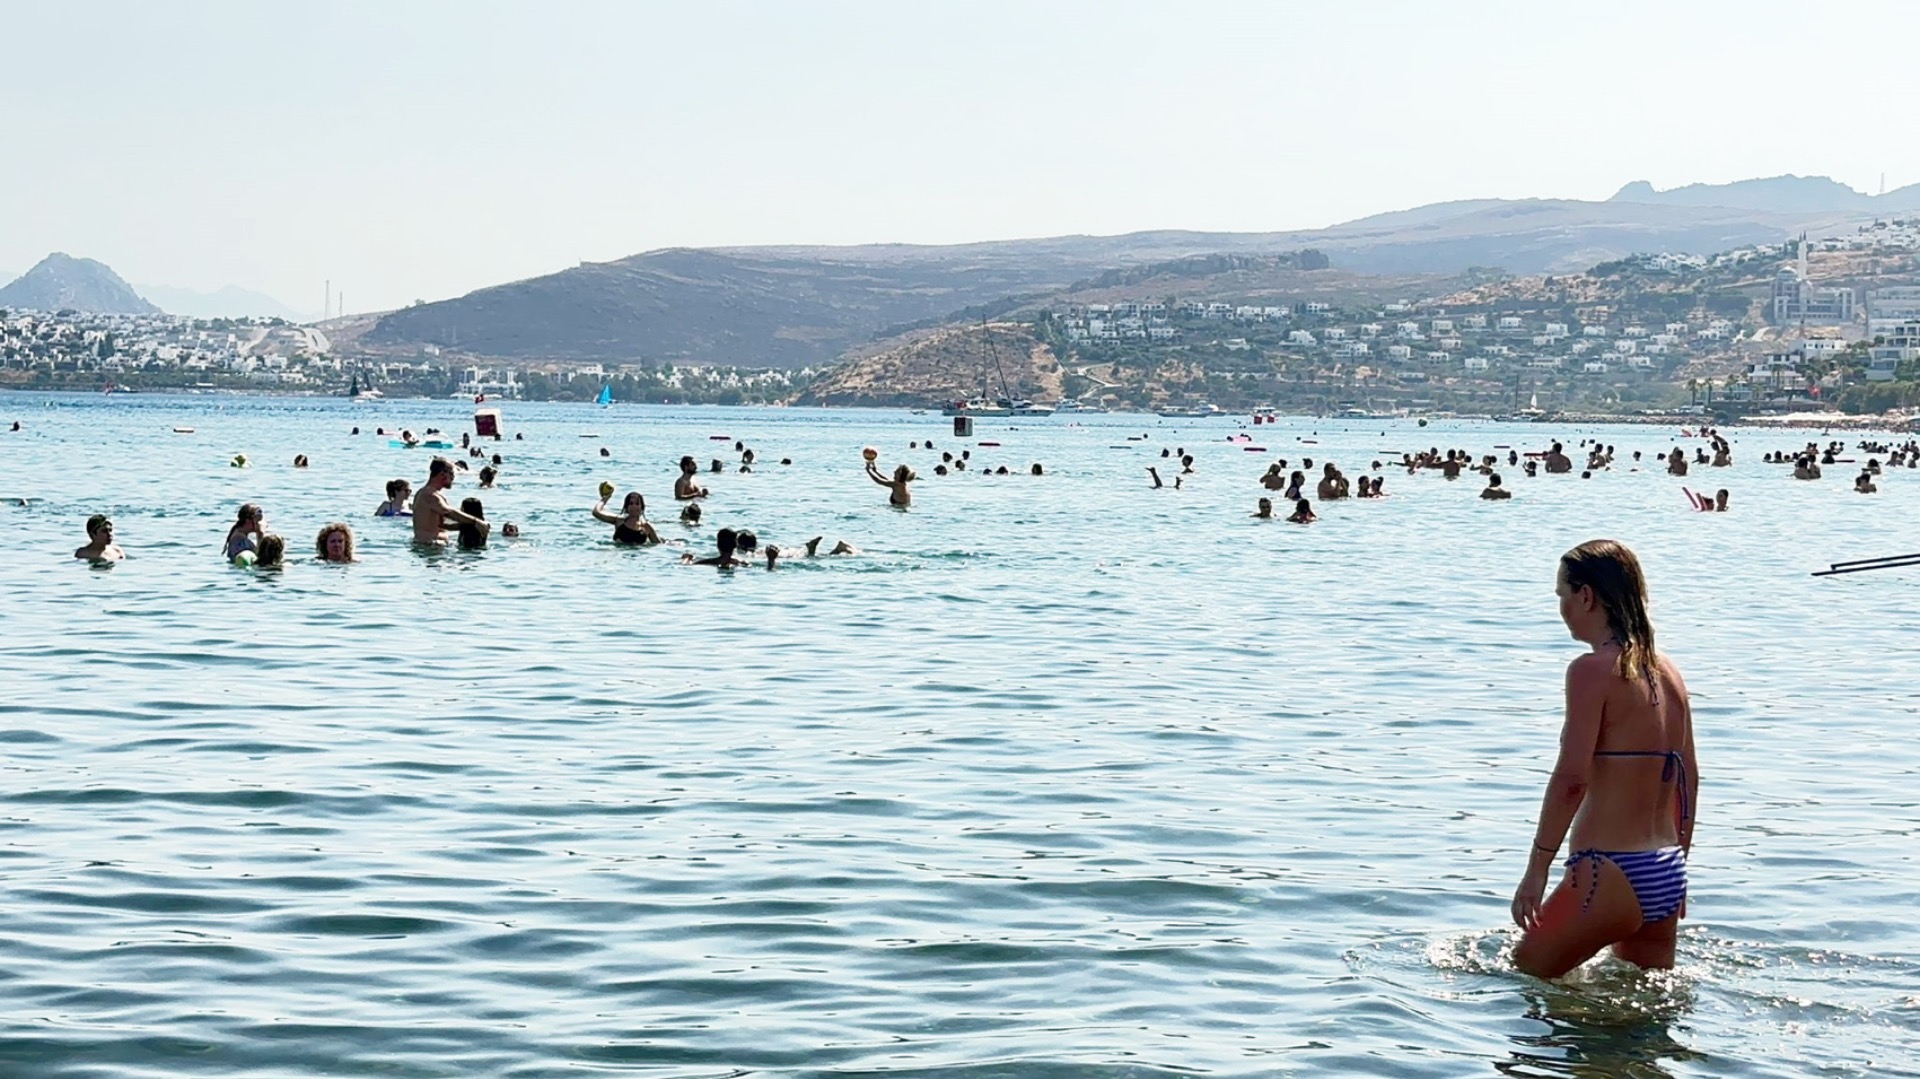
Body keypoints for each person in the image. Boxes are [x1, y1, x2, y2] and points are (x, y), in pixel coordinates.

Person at [1512, 540, 1696, 978]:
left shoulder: (1591, 670)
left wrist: (1536, 870)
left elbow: (1572, 779)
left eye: (1562, 595)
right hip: (1666, 870)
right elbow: (1688, 781)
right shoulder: (1668, 672)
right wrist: (1681, 864)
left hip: (1607, 871)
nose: (1562, 607)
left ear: (1586, 596)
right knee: (1638, 1025)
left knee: (1521, 976)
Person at [412, 457, 489, 546]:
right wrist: (476, 521)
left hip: (433, 546)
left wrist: (470, 526)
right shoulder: (430, 495)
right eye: (452, 473)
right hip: (430, 546)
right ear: (442, 474)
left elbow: (440, 524)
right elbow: (448, 511)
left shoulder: (427, 493)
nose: (453, 477)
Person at [593, 491, 661, 545]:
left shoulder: (646, 527)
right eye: (631, 504)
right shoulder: (619, 521)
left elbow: (658, 544)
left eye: (637, 504)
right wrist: (605, 499)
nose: (634, 506)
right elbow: (596, 513)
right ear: (626, 507)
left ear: (642, 507)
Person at [683, 527, 750, 568]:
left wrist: (686, 558)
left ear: (718, 545)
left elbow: (686, 565)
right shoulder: (742, 563)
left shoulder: (707, 562)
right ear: (735, 545)